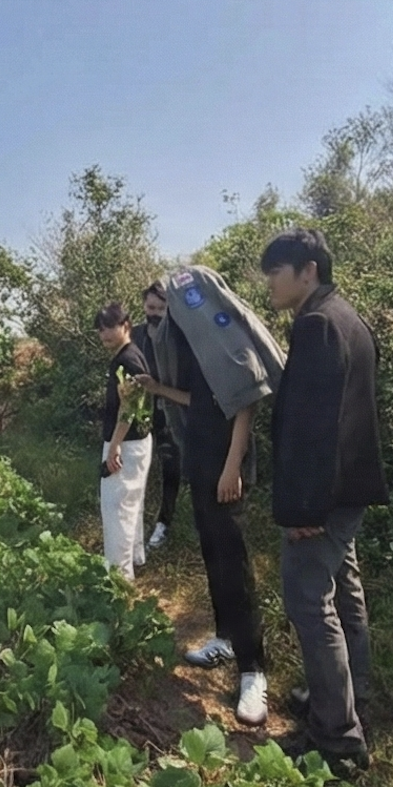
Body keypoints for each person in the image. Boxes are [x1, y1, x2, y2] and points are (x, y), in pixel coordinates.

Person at [260, 229, 389, 774]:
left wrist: (302, 511)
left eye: (275, 272)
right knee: (346, 593)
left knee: (311, 603)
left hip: (324, 498)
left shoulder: (316, 326)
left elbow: (315, 432)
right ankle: (347, 698)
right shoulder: (349, 319)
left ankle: (336, 738)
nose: (268, 283)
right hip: (351, 490)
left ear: (307, 270)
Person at [135, 266, 285, 727]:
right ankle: (225, 637)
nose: (166, 312)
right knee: (212, 553)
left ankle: (252, 669)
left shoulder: (222, 337)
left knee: (235, 562)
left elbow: (244, 399)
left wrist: (232, 466)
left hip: (226, 466)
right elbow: (197, 400)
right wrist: (157, 389)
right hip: (199, 459)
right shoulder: (185, 340)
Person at [95, 302, 155, 579]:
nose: (104, 334)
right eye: (100, 329)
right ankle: (134, 558)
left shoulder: (128, 359)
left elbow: (129, 407)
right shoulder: (128, 356)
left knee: (116, 508)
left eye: (109, 327)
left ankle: (119, 578)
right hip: (135, 442)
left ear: (126, 326)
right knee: (131, 503)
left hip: (126, 443)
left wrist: (115, 445)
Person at [129, 283, 183, 552]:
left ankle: (164, 522)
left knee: (172, 468)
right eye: (151, 307)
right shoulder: (136, 335)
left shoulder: (177, 336)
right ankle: (134, 527)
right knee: (138, 469)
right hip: (141, 412)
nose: (155, 313)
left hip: (172, 409)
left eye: (162, 308)